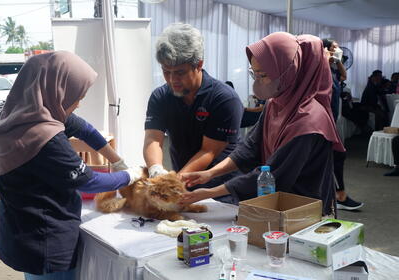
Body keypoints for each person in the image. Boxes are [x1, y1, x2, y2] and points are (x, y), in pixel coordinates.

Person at [0, 51, 142, 280]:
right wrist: (131, 175)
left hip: (19, 232)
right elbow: (88, 181)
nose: (79, 102)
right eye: (77, 96)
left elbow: (85, 129)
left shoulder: (21, 113)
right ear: (56, 89)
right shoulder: (44, 136)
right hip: (43, 242)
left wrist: (116, 160)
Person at [180, 32, 345, 216]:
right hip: (277, 203)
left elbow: (274, 175)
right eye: (254, 73)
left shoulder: (310, 120)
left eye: (263, 75)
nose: (257, 81)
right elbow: (251, 148)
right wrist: (209, 174)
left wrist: (210, 192)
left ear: (288, 71)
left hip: (303, 209)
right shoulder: (276, 102)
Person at [143, 23, 244, 205]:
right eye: (166, 72)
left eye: (180, 72)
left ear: (198, 64)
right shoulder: (160, 96)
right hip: (184, 186)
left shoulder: (224, 99)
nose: (173, 80)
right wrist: (156, 170)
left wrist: (172, 183)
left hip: (222, 191)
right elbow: (153, 139)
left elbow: (208, 151)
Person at [322, 38, 363, 211]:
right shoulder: (320, 67)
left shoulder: (334, 69)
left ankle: (335, 195)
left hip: (331, 119)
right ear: (324, 50)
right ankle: (338, 195)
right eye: (334, 47)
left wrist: (337, 59)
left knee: (334, 156)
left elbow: (344, 76)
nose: (338, 50)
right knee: (335, 156)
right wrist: (326, 57)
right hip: (322, 121)